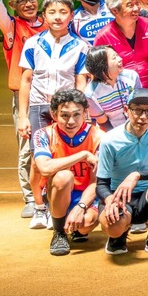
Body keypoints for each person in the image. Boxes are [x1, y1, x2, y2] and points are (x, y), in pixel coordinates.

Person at [17, 0, 89, 230]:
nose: (57, 17)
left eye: (63, 12)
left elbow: (80, 82)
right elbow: (26, 80)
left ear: (71, 15)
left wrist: (81, 113)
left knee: (63, 156)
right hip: (39, 106)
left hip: (67, 110)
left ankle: (56, 203)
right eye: (52, 12)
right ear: (44, 15)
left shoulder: (80, 46)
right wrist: (23, 116)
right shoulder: (32, 43)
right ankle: (39, 207)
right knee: (39, 161)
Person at [0, 0, 45, 219]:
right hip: (24, 95)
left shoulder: (50, 24)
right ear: (13, 7)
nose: (29, 3)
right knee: (27, 146)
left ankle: (51, 193)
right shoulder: (11, 27)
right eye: (22, 0)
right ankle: (30, 197)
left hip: (52, 94)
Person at [95, 88, 148, 258]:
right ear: (127, 110)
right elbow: (101, 184)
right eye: (137, 110)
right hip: (119, 197)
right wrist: (110, 200)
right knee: (114, 227)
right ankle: (118, 235)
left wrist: (137, 175)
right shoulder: (110, 140)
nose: (143, 116)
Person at [32, 88, 103, 256]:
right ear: (53, 114)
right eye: (64, 115)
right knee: (63, 176)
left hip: (84, 194)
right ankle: (59, 232)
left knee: (86, 223)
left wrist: (81, 207)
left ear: (86, 113)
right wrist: (83, 155)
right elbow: (45, 168)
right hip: (55, 191)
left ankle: (75, 225)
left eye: (76, 114)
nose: (71, 121)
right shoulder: (44, 134)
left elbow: (97, 182)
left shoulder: (99, 137)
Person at [93, 0, 148, 87]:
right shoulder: (103, 36)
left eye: (137, 3)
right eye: (130, 5)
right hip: (120, 93)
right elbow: (98, 73)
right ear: (114, 10)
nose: (136, 8)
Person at [83, 46, 139, 129]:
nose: (120, 59)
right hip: (112, 131)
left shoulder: (132, 77)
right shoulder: (90, 94)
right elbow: (104, 123)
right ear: (102, 66)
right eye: (114, 58)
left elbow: (140, 106)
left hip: (136, 125)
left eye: (117, 55)